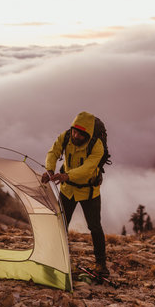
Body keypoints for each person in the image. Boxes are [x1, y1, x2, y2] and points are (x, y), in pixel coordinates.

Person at [41, 111, 109, 276]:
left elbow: (88, 169)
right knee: (61, 224)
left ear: (87, 135)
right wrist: (50, 169)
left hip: (89, 191)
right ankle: (54, 259)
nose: (75, 135)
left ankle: (101, 265)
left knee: (94, 227)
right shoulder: (65, 137)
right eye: (74, 131)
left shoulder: (96, 146)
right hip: (67, 190)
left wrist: (66, 175)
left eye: (79, 133)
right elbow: (53, 152)